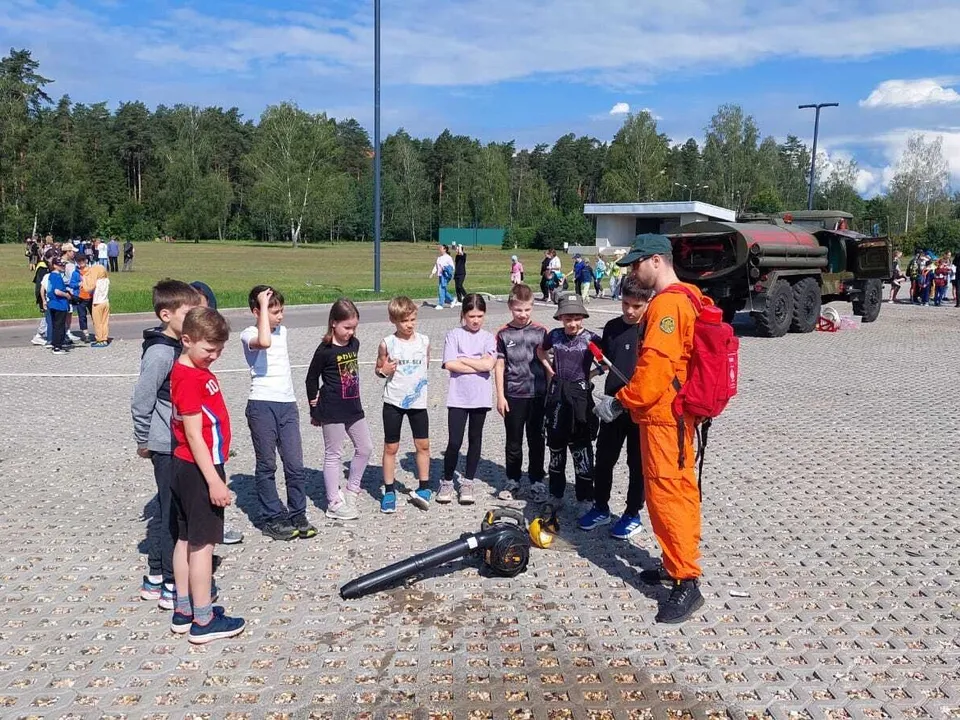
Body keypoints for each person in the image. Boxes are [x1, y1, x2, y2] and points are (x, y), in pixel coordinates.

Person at [615, 233, 709, 624]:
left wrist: (621, 400)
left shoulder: (668, 306)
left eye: (637, 263)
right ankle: (674, 563)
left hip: (664, 417)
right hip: (673, 415)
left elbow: (654, 368)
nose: (633, 272)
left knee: (668, 496)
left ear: (657, 260)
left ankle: (686, 580)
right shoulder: (690, 296)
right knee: (676, 491)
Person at [169, 306, 246, 643]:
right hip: (199, 469)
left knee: (186, 538)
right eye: (209, 349)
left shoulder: (192, 370)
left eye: (220, 349)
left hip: (187, 466)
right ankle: (203, 620)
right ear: (187, 340)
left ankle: (183, 609)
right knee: (202, 545)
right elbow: (193, 433)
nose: (215, 356)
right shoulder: (189, 378)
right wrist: (214, 480)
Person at [131, 279, 203, 611]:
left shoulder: (176, 346)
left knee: (168, 508)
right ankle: (171, 583)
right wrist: (143, 439)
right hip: (165, 444)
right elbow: (142, 399)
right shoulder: (160, 352)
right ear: (165, 315)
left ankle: (157, 576)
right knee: (171, 512)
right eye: (187, 313)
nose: (193, 319)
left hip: (174, 441)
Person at [578, 274, 652, 538]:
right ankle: (601, 507)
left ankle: (632, 514)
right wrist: (589, 374)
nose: (630, 311)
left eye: (636, 306)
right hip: (613, 406)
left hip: (639, 409)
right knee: (604, 459)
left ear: (648, 302)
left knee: (637, 463)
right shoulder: (611, 327)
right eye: (625, 304)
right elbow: (606, 361)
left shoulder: (651, 329)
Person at [241, 286, 315, 541]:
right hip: (262, 404)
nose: (280, 316)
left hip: (287, 404)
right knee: (267, 464)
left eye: (282, 311)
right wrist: (263, 306)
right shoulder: (249, 333)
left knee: (294, 464)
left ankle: (298, 513)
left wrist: (269, 310)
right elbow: (264, 342)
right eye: (274, 312)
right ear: (257, 311)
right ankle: (272, 517)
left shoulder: (282, 331)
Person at [305, 299, 373, 520]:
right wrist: (314, 408)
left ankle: (352, 489)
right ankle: (333, 502)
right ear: (334, 323)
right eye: (347, 327)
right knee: (333, 454)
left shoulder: (354, 344)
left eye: (354, 327)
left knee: (365, 448)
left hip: (353, 407)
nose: (351, 332)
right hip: (332, 409)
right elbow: (311, 378)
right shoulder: (324, 350)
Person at [537, 294, 601, 511]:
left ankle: (585, 498)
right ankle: (556, 494)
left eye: (576, 318)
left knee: (581, 448)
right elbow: (540, 350)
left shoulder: (591, 338)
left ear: (583, 317)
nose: (572, 323)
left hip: (581, 396)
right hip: (557, 394)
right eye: (567, 319)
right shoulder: (554, 335)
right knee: (556, 447)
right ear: (560, 318)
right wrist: (549, 369)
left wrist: (592, 374)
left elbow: (607, 360)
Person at [436, 293, 497, 506]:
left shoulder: (488, 337)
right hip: (458, 398)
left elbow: (489, 365)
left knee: (475, 439)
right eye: (471, 316)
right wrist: (476, 363)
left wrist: (463, 359)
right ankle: (446, 480)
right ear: (463, 315)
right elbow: (450, 364)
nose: (476, 320)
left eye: (480, 316)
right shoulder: (454, 335)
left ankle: (468, 481)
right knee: (454, 441)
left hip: (480, 397)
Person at [376, 296, 431, 513]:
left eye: (412, 319)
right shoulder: (387, 343)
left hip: (418, 402)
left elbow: (426, 363)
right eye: (404, 321)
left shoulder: (424, 341)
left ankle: (424, 487)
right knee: (391, 447)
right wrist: (383, 371)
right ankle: (389, 491)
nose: (409, 325)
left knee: (423, 445)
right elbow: (379, 368)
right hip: (394, 401)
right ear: (393, 320)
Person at [494, 283, 547, 500]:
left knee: (537, 439)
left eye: (527, 309)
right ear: (510, 307)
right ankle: (513, 479)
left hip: (538, 394)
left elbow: (548, 364)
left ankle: (537, 479)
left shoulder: (541, 332)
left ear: (532, 307)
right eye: (518, 310)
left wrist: (551, 393)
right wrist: (500, 396)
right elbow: (499, 365)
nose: (523, 314)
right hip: (514, 395)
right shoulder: (503, 334)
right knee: (513, 441)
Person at [46, 256, 72, 354]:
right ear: (54, 266)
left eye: (63, 265)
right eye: (60, 265)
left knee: (55, 325)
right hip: (59, 304)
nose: (63, 266)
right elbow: (57, 291)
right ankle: (57, 346)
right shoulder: (57, 276)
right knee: (59, 326)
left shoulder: (51, 275)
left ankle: (55, 343)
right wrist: (66, 295)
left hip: (52, 303)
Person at [83, 261, 110, 347]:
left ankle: (100, 339)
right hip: (106, 302)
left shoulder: (97, 282)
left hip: (97, 303)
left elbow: (88, 288)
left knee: (98, 323)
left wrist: (84, 279)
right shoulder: (106, 280)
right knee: (105, 322)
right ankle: (105, 338)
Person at [429, 244, 455, 310]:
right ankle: (452, 300)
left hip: (445, 276)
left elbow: (452, 267)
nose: (440, 249)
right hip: (440, 275)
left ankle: (440, 304)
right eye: (440, 248)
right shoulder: (439, 258)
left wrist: (446, 268)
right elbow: (436, 266)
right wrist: (432, 273)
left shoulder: (448, 257)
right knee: (443, 289)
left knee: (441, 288)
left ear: (445, 249)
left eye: (441, 248)